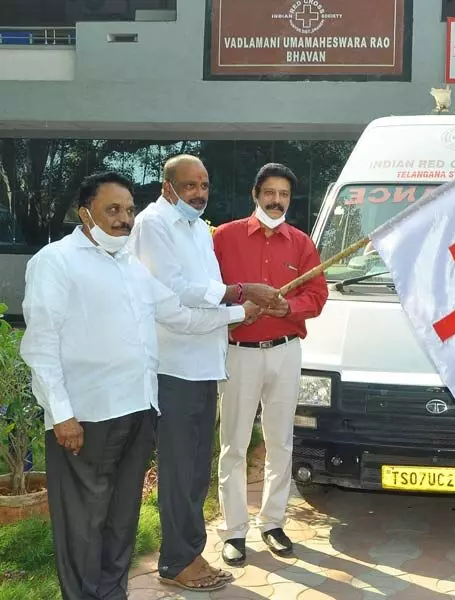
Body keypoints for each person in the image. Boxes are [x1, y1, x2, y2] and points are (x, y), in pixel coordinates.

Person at [19, 171, 257, 600]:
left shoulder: (130, 266)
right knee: (83, 521)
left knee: (121, 517)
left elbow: (177, 315)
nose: (124, 220)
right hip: (85, 417)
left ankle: (113, 593)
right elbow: (41, 346)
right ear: (85, 213)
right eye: (112, 210)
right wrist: (61, 414)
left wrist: (239, 313)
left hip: (137, 410)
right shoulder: (55, 262)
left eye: (128, 210)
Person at [129, 154, 282, 591]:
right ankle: (178, 560)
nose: (199, 193)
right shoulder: (153, 225)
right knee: (179, 471)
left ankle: (189, 553)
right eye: (189, 185)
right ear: (167, 187)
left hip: (203, 366)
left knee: (196, 469)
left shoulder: (198, 227)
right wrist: (239, 297)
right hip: (173, 367)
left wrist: (236, 310)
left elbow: (208, 299)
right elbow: (177, 297)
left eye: (204, 184)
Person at [214, 163, 329, 566]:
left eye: (283, 195)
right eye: (270, 193)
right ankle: (234, 531)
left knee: (281, 440)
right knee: (234, 444)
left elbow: (317, 295)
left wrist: (288, 305)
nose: (276, 201)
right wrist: (233, 307)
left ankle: (273, 523)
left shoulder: (301, 243)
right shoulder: (224, 238)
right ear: (255, 194)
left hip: (285, 350)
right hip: (239, 352)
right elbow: (208, 288)